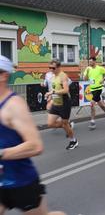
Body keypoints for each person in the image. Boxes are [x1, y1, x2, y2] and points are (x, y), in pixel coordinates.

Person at [0, 55, 65, 215]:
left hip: (21, 182)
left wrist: (1, 154)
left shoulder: (14, 105)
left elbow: (36, 146)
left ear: (3, 75)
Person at [45, 59, 78, 150]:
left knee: (64, 124)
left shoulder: (63, 76)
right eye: (50, 68)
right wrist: (49, 95)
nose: (51, 70)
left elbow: (66, 90)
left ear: (59, 67)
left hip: (64, 103)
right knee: (50, 123)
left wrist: (53, 92)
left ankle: (73, 140)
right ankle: (68, 126)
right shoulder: (53, 77)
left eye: (53, 68)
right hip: (56, 103)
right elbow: (54, 89)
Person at [84, 57, 105, 129]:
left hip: (99, 88)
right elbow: (85, 79)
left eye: (91, 62)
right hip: (92, 89)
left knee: (92, 104)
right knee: (100, 104)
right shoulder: (88, 69)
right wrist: (86, 73)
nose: (89, 63)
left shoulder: (100, 68)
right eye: (89, 62)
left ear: (94, 62)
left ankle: (92, 122)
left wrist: (103, 79)